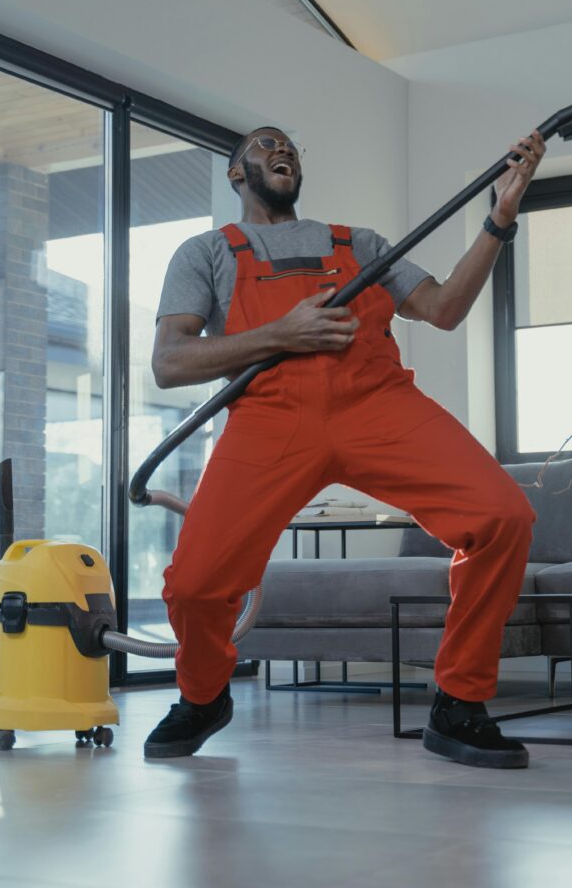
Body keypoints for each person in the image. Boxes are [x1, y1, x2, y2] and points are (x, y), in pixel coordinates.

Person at [144, 124, 546, 766]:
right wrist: (282, 333)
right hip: (269, 419)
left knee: (504, 516)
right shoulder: (206, 253)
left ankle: (458, 702)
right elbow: (170, 363)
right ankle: (202, 695)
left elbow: (442, 309)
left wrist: (498, 220)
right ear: (235, 174)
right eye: (266, 143)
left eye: (292, 147)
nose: (283, 150)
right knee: (194, 583)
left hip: (377, 404)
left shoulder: (359, 244)